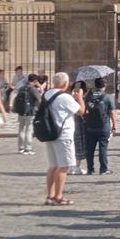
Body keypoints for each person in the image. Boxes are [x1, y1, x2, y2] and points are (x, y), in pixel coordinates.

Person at [39, 73, 84, 204]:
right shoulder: (65, 97)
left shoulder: (47, 94)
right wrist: (80, 98)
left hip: (51, 132)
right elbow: (81, 111)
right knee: (63, 166)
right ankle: (58, 196)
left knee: (53, 165)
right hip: (63, 135)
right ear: (66, 84)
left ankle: (50, 195)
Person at [83, 77, 116, 175]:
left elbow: (84, 110)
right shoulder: (108, 97)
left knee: (90, 149)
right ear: (104, 85)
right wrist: (114, 125)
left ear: (95, 85)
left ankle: (90, 169)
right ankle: (103, 169)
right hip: (103, 126)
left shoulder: (88, 96)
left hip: (90, 126)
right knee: (103, 148)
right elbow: (112, 112)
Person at [13, 76, 41, 155]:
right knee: (29, 129)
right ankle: (28, 148)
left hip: (21, 111)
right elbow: (39, 100)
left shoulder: (22, 88)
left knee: (21, 129)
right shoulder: (33, 89)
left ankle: (21, 147)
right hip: (30, 112)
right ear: (35, 81)